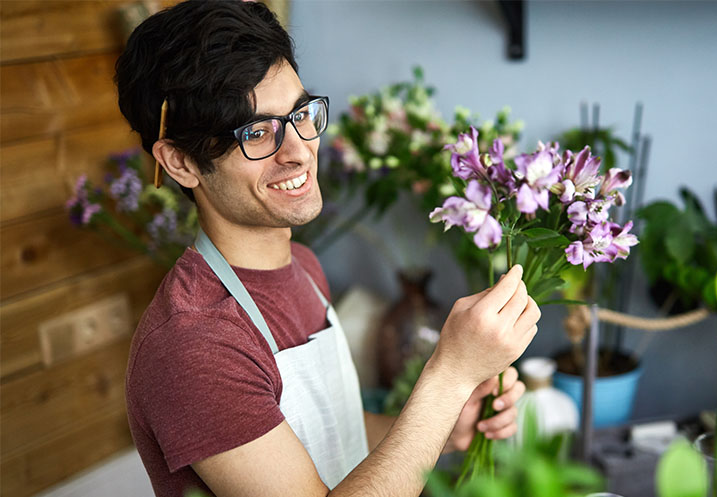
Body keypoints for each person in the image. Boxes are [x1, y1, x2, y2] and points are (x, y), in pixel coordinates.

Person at [116, 1, 540, 496]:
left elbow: (335, 436)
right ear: (181, 163)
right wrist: (449, 374)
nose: (297, 150)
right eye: (256, 133)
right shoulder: (194, 344)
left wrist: (449, 422)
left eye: (299, 113)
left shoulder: (303, 267)